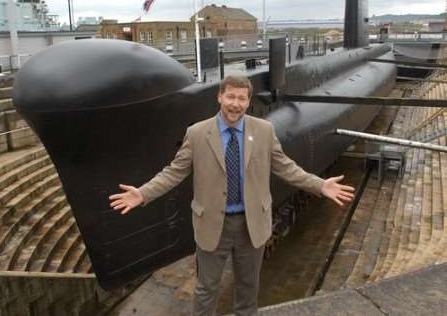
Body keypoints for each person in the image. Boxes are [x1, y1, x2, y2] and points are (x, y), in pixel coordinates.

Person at [109, 75, 354, 316]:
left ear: (248, 102)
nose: (235, 103)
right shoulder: (197, 133)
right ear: (220, 97)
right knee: (207, 290)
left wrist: (320, 185)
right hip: (213, 223)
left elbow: (286, 167)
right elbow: (174, 172)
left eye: (241, 99)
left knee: (248, 289)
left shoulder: (264, 131)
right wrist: (143, 194)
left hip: (252, 224)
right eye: (230, 97)